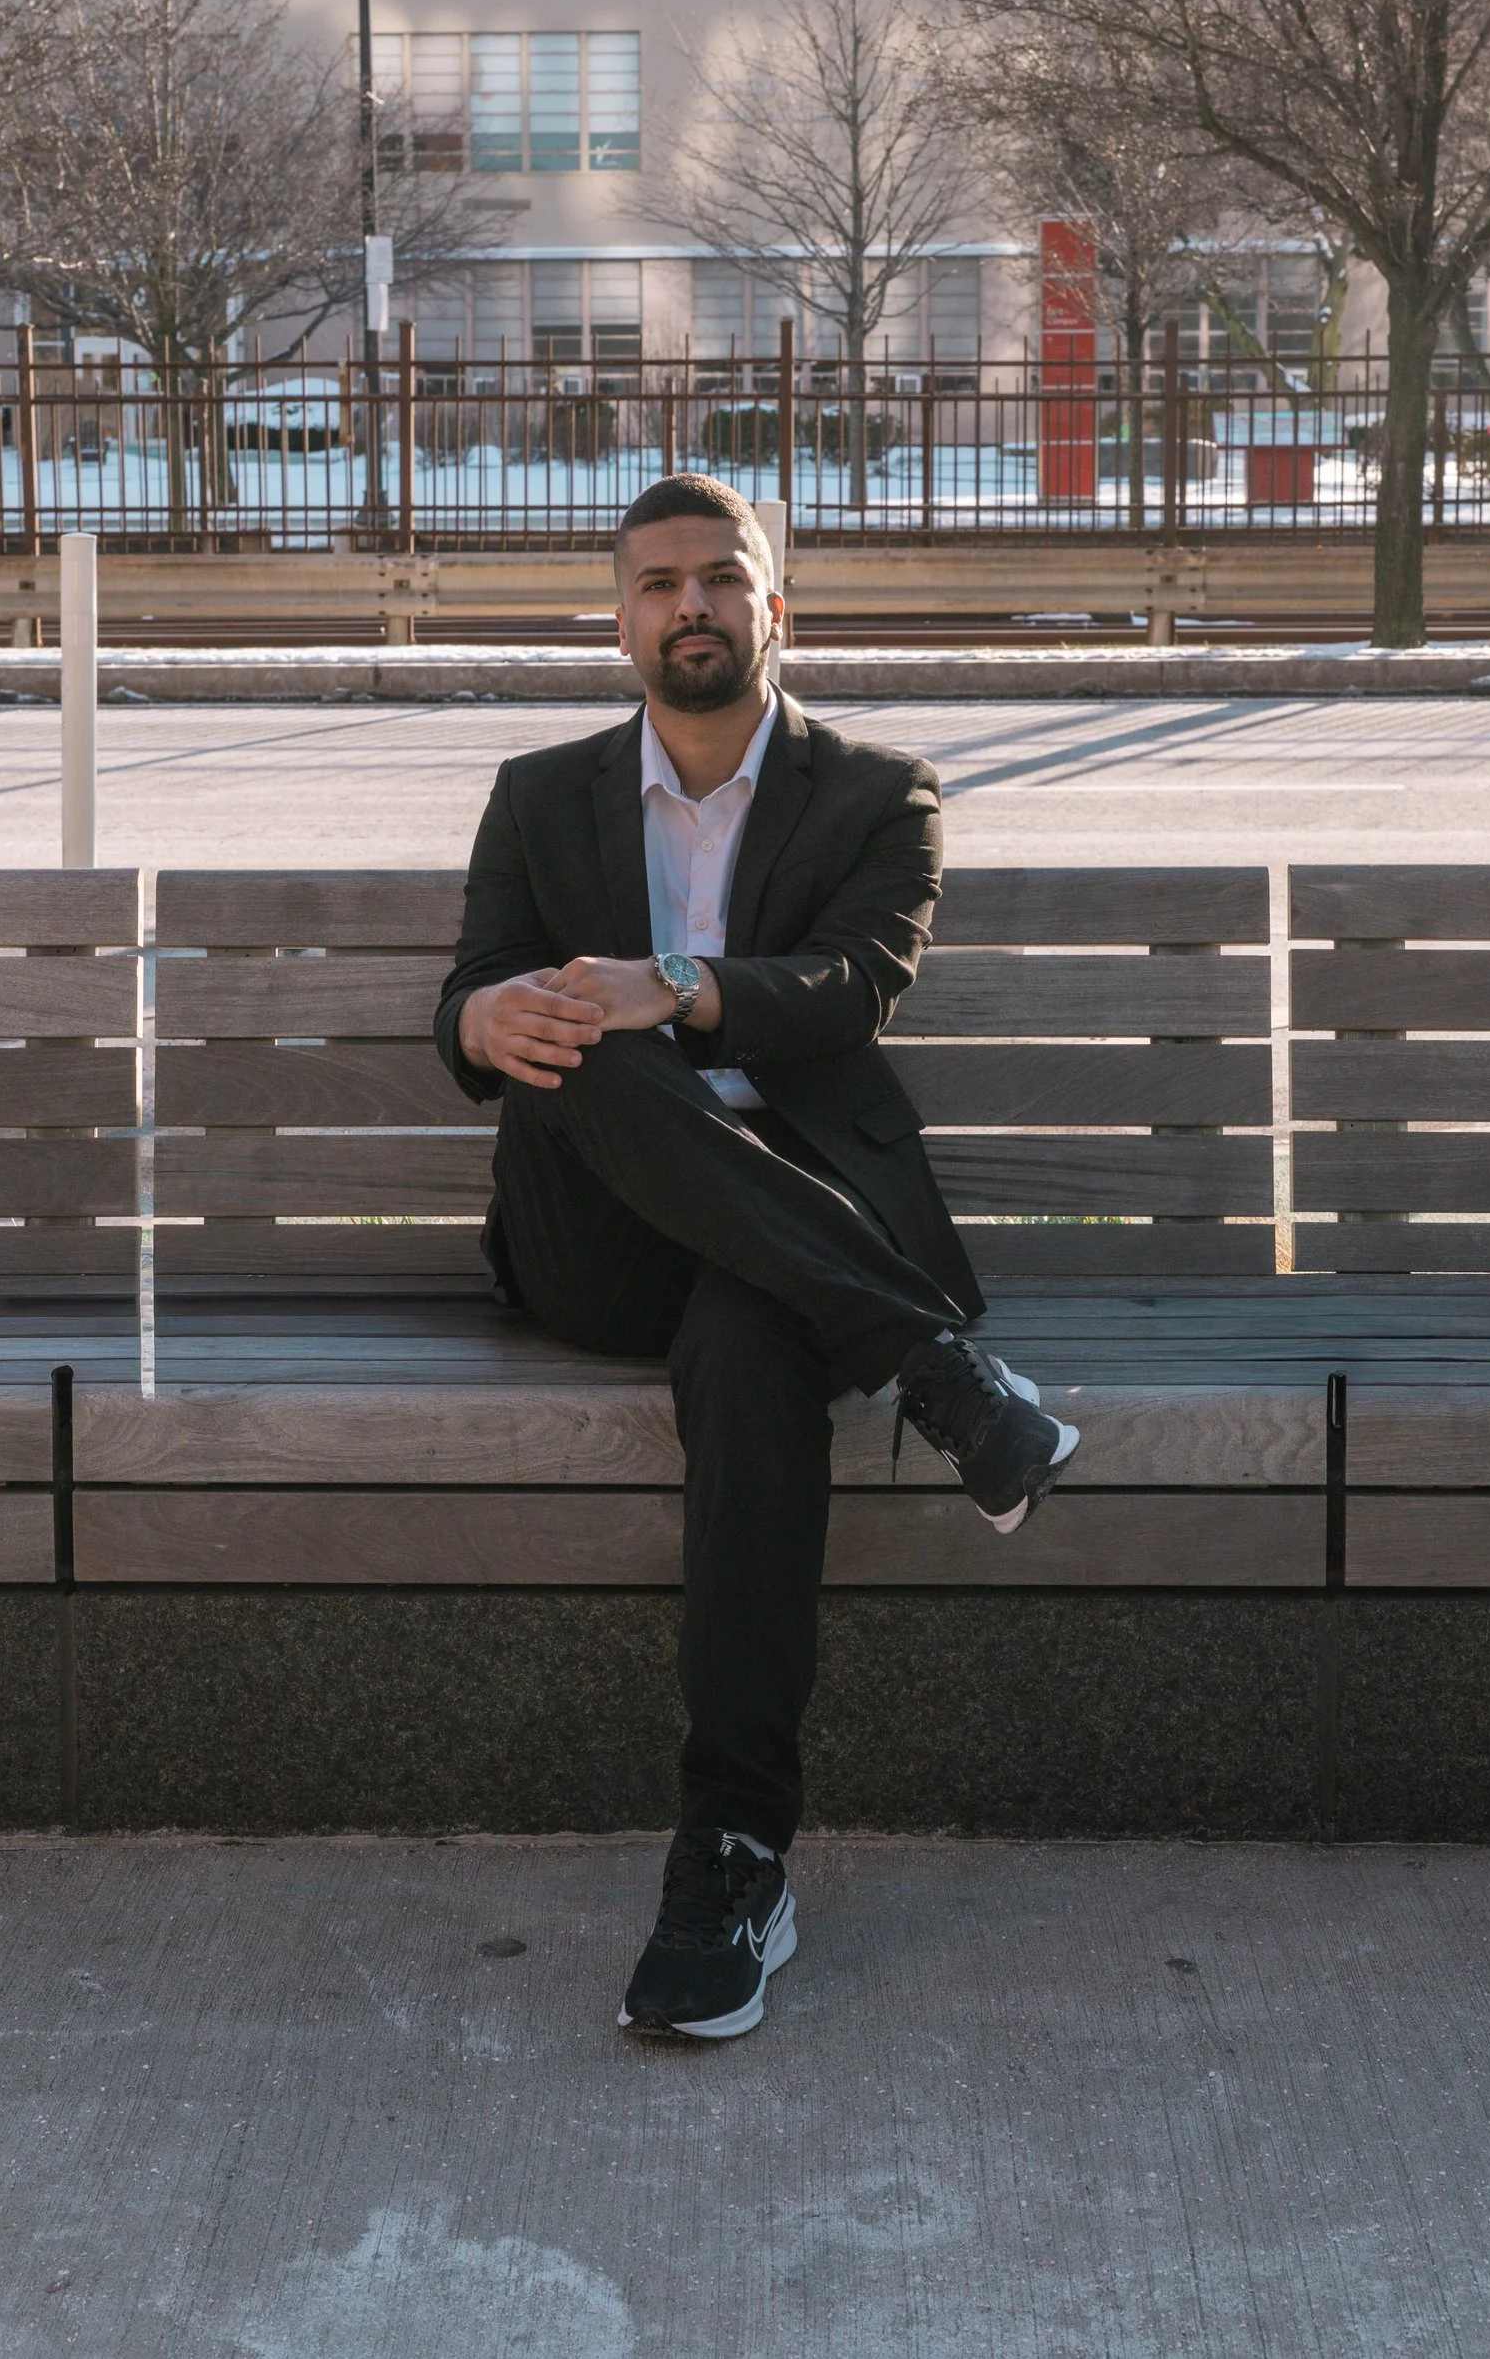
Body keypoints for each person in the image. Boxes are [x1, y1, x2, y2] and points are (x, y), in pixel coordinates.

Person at [436, 472, 1077, 2041]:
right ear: (620, 620)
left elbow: (855, 987)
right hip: (600, 1245)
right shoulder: (538, 795)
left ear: (777, 605)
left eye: (722, 577)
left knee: (747, 1337)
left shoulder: (878, 793)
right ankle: (932, 1366)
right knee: (569, 1028)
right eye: (657, 583)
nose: (691, 605)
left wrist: (682, 985)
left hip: (778, 1243)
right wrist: (485, 1017)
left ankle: (731, 1852)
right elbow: (465, 1001)